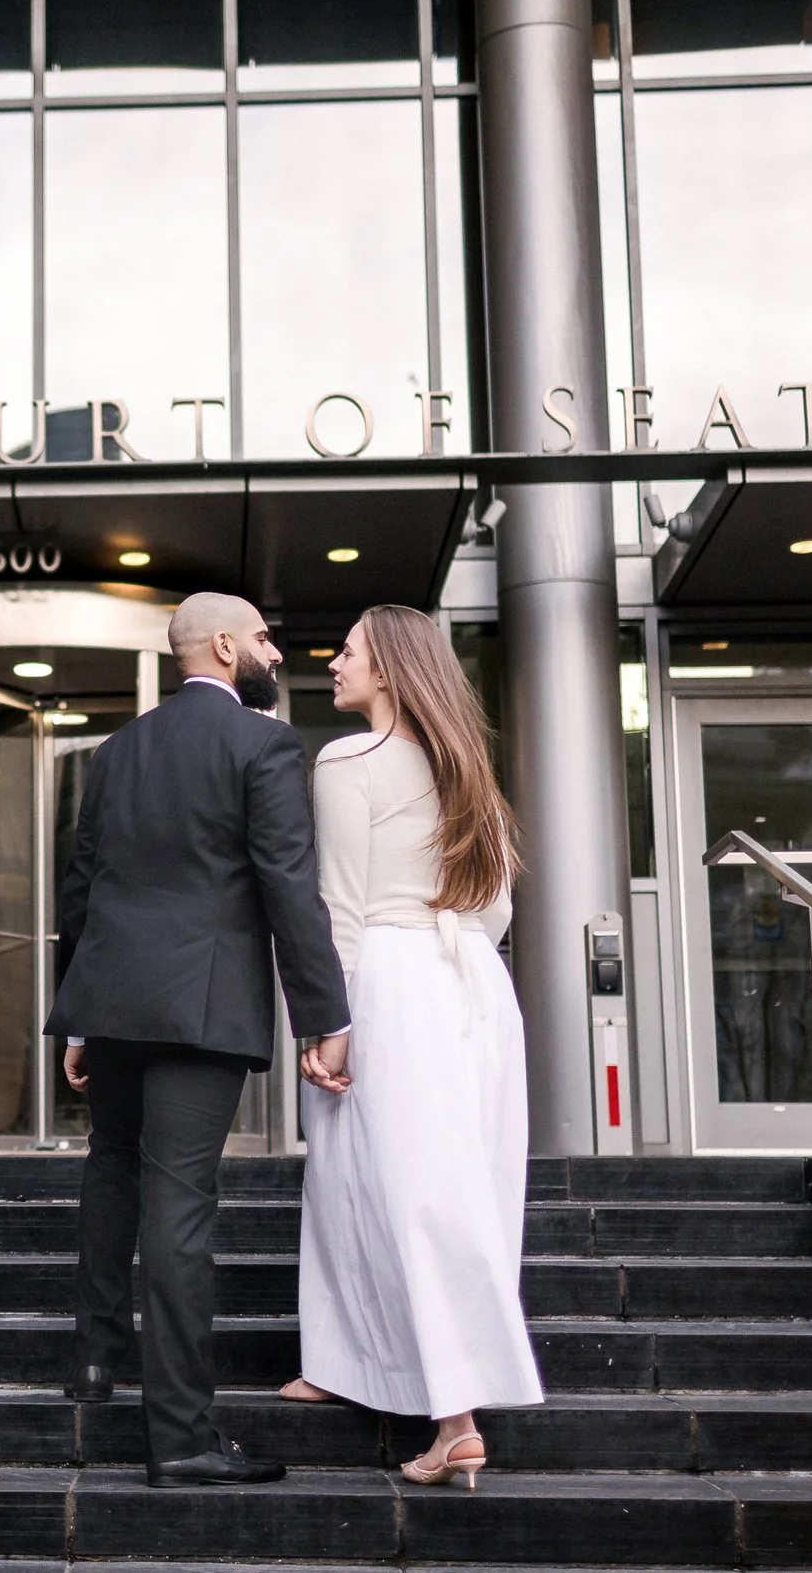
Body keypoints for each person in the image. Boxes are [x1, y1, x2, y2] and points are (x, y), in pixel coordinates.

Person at [47, 591, 351, 1488]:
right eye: (262, 637)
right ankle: (180, 1435)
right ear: (223, 646)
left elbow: (82, 887)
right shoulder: (264, 744)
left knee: (112, 1169)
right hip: (200, 1007)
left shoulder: (118, 750)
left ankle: (94, 1360)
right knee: (179, 1205)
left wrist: (78, 1014)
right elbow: (288, 885)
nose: (274, 651)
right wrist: (326, 1015)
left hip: (112, 1001)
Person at [285, 604, 543, 1488]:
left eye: (348, 649)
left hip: (392, 974)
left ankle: (455, 1419)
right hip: (474, 984)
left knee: (381, 1181)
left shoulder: (345, 759)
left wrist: (331, 1022)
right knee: (455, 1182)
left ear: (390, 668)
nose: (334, 660)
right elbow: (497, 904)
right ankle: (346, 1362)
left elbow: (340, 902)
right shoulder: (466, 765)